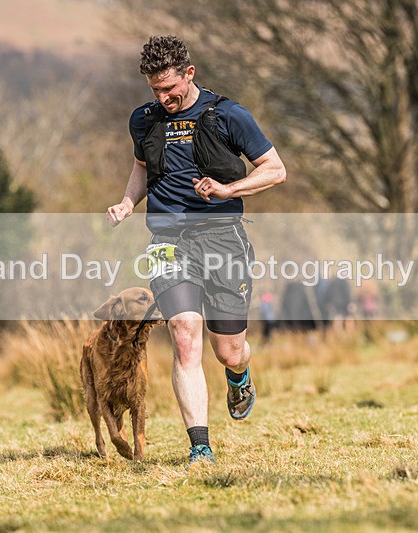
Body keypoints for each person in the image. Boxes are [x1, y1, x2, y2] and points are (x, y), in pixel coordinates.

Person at [105, 35, 286, 468]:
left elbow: (275, 170)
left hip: (224, 240)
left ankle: (238, 374)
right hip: (169, 242)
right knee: (185, 334)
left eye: (170, 88)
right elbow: (141, 167)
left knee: (227, 349)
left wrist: (228, 189)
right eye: (155, 90)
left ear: (189, 73)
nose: (164, 98)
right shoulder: (143, 120)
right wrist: (130, 202)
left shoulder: (229, 114)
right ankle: (200, 447)